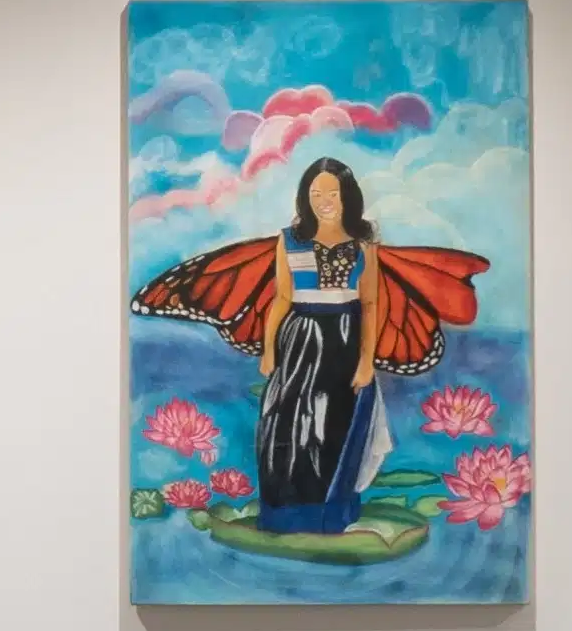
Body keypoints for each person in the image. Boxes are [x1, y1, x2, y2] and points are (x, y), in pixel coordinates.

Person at [131, 155, 487, 532]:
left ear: (347, 196)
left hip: (346, 336)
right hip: (299, 336)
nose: (324, 200)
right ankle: (286, 515)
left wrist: (368, 361)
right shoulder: (290, 241)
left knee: (337, 424)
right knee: (285, 423)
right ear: (306, 197)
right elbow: (282, 298)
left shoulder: (363, 244)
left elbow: (370, 304)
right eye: (316, 193)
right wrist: (269, 349)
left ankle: (330, 514)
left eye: (332, 192)